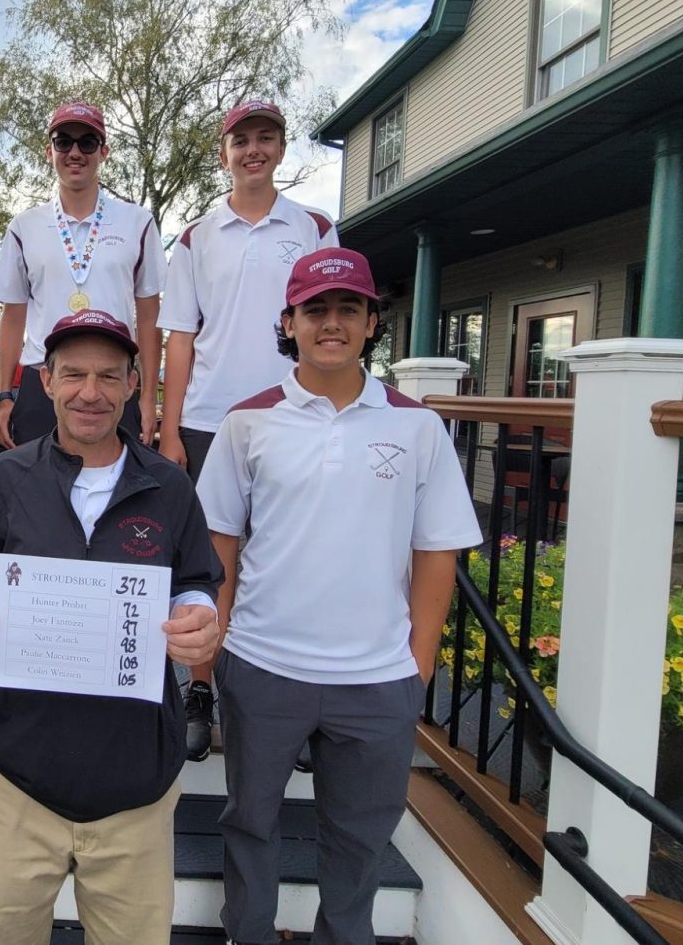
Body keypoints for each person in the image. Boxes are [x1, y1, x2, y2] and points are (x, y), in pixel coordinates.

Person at [195, 248, 482, 945]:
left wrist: (416, 666)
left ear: (371, 322)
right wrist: (213, 654)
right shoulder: (247, 422)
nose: (331, 323)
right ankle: (248, 933)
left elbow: (436, 552)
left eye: (347, 309)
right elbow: (219, 546)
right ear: (288, 322)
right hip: (263, 664)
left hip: (375, 677)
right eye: (314, 310)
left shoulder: (417, 426)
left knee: (358, 839)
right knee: (251, 821)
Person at [0, 309, 224, 945]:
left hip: (135, 782)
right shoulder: (5, 478)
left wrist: (200, 619)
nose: (89, 392)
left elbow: (198, 581)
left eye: (107, 376)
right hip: (18, 773)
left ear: (133, 385)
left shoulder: (171, 487)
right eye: (72, 374)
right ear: (46, 380)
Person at [158, 98, 341, 761]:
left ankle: (279, 697)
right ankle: (201, 689)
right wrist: (171, 428)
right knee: (213, 562)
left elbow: (328, 324)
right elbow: (180, 336)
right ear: (223, 152)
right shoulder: (195, 236)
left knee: (288, 556)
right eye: (242, 140)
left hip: (292, 414)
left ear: (281, 149)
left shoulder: (316, 226)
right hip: (211, 418)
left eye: (266, 138)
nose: (253, 150)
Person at [0, 101, 166, 448]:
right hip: (43, 380)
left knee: (114, 495)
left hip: (113, 379)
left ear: (104, 152)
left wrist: (146, 397)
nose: (75, 152)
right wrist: (4, 395)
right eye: (63, 141)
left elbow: (149, 317)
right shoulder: (24, 227)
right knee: (37, 495)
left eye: (87, 142)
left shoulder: (138, 222)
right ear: (49, 151)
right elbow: (12, 318)